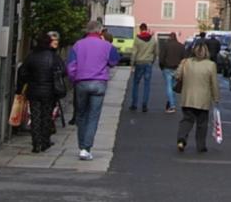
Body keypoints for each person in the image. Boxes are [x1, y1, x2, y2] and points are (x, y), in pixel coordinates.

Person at [67, 23, 121, 161]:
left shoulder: (78, 45)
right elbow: (114, 61)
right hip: (99, 83)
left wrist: (75, 79)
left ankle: (81, 146)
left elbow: (71, 66)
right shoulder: (107, 46)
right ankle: (86, 148)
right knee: (93, 116)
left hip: (81, 82)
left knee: (81, 115)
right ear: (100, 31)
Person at [18, 31, 69, 154]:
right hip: (49, 91)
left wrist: (29, 80)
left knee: (35, 116)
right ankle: (45, 141)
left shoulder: (32, 56)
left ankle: (36, 144)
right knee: (46, 116)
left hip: (34, 90)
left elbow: (22, 73)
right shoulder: (53, 57)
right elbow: (63, 71)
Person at [173, 40, 220, 153]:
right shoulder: (211, 65)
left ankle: (181, 139)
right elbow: (214, 83)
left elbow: (177, 75)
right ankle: (201, 145)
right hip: (203, 99)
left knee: (187, 120)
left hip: (187, 97)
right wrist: (216, 97)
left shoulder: (186, 62)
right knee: (202, 123)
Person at [126, 24, 156, 113]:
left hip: (139, 62)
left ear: (140, 29)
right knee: (147, 85)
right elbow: (156, 52)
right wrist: (152, 60)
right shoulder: (153, 39)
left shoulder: (137, 39)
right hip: (148, 63)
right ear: (146, 29)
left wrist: (132, 64)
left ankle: (134, 104)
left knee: (136, 84)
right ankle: (144, 105)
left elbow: (134, 52)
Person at [155, 29, 185, 113]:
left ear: (169, 38)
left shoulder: (165, 45)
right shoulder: (181, 46)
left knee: (168, 86)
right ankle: (171, 103)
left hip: (167, 68)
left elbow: (161, 58)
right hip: (177, 69)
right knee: (173, 87)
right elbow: (184, 59)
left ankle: (172, 105)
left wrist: (162, 67)